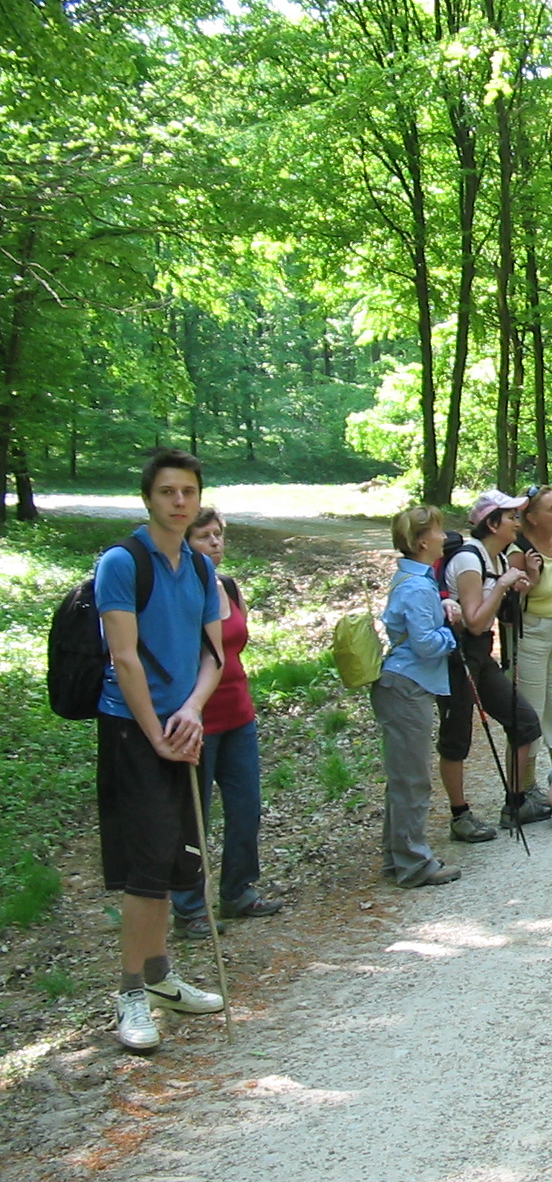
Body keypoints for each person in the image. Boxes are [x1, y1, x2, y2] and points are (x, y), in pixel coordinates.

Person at [96, 448, 225, 1053]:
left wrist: (193, 711)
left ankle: (160, 976)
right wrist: (156, 734)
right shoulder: (122, 564)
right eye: (169, 492)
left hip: (182, 726)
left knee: (181, 856)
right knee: (145, 868)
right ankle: (130, 994)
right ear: (148, 498)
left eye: (189, 492)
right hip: (134, 730)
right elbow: (124, 659)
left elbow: (214, 656)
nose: (179, 502)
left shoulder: (200, 568)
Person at [169, 509, 283, 940]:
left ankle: (237, 891)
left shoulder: (229, 587)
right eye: (204, 536)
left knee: (245, 807)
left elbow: (235, 645)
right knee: (194, 816)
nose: (215, 542)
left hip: (238, 713)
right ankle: (190, 908)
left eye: (219, 535)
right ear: (185, 541)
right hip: (196, 719)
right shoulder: (178, 592)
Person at [438, 490, 547, 835]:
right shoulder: (471, 561)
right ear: (493, 522)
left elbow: (507, 617)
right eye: (512, 517)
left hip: (480, 655)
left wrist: (526, 581)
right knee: (457, 738)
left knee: (525, 722)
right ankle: (460, 816)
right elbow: (474, 621)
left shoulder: (498, 559)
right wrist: (502, 585)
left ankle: (515, 803)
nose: (517, 523)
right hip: (457, 657)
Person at [373, 506, 465, 887]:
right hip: (407, 687)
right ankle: (413, 863)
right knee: (412, 779)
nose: (445, 537)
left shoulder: (415, 580)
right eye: (440, 531)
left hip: (404, 685)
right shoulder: (415, 585)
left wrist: (439, 611)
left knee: (403, 777)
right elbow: (427, 644)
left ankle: (398, 859)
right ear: (423, 541)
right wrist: (451, 629)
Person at [511, 485, 552, 769]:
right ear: (533, 518)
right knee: (531, 709)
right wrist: (532, 578)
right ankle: (525, 788)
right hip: (533, 634)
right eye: (551, 509)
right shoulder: (519, 551)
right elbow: (507, 603)